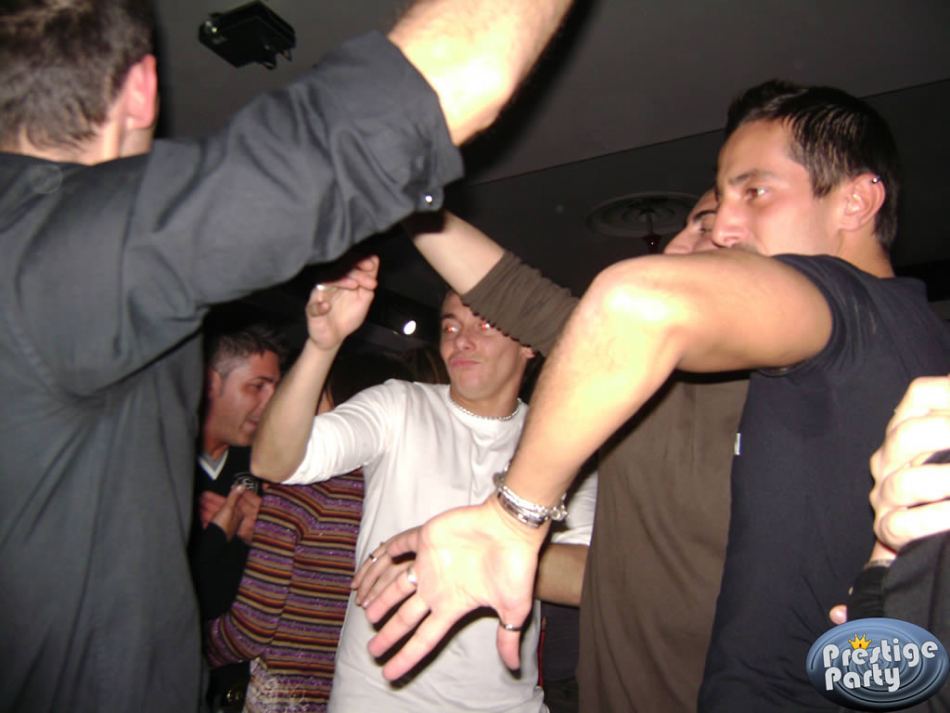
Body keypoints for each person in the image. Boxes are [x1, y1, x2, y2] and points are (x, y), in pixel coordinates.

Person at [0, 0, 575, 710]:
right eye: (452, 321)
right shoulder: (80, 250)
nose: (462, 336)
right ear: (142, 88)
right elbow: (463, 74)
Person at [362, 79, 950, 710]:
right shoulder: (870, 353)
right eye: (708, 213)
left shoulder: (853, 320)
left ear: (856, 201)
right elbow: (525, 298)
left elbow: (636, 306)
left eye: (753, 193)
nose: (724, 230)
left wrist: (512, 517)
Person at [406, 199, 748, 713]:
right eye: (450, 327)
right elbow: (514, 293)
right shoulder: (634, 371)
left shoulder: (818, 394)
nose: (677, 244)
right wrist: (395, 191)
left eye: (707, 225)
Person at [251, 258, 596, 712]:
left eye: (484, 324)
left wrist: (477, 558)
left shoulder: (562, 439)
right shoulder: (399, 405)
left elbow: (586, 577)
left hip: (506, 704)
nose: (461, 340)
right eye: (451, 326)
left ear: (529, 343)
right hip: (377, 698)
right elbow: (274, 461)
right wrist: (321, 346)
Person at [205, 343, 413, 713]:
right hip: (363, 694)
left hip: (286, 697)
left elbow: (252, 628)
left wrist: (195, 645)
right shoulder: (402, 493)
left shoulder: (299, 485)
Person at [190, 316, 285, 711]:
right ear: (212, 384)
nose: (269, 403)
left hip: (241, 676)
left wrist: (264, 532)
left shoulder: (266, 465)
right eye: (257, 387)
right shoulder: (160, 462)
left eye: (275, 389)